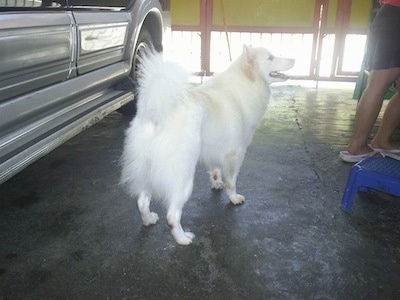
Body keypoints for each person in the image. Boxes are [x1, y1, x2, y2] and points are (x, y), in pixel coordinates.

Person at [340, 0, 400, 163]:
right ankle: (357, 146)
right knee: (379, 82)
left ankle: (381, 141)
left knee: (382, 83)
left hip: (390, 16)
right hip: (396, 16)